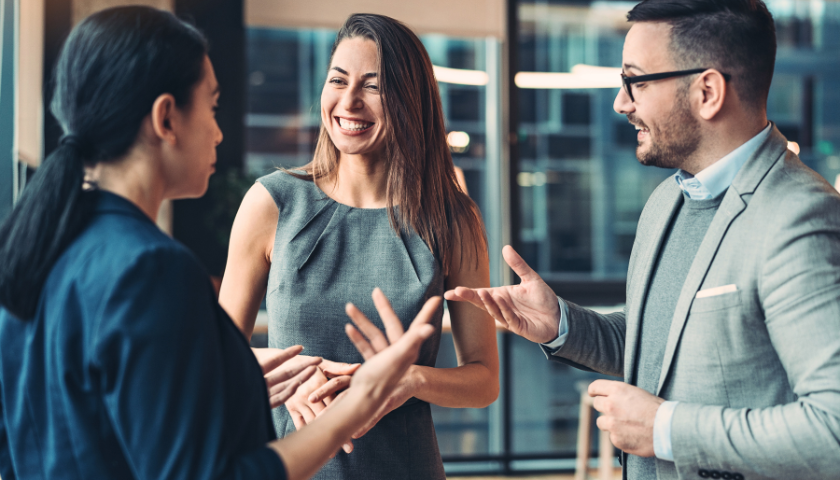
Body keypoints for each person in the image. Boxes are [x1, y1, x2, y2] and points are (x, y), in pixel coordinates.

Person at [0, 6, 440, 480]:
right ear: (166, 118)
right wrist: (359, 403)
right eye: (211, 108)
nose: (218, 132)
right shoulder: (151, 267)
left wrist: (239, 379)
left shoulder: (39, 245)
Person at [446, 1, 840, 479]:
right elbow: (660, 349)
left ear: (708, 92)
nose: (621, 102)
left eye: (637, 81)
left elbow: (833, 429)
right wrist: (563, 324)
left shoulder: (799, 216)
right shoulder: (666, 202)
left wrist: (666, 429)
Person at [219, 13, 499, 480]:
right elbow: (217, 359)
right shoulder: (272, 202)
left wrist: (411, 379)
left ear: (410, 100)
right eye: (338, 80)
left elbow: (484, 379)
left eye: (373, 86)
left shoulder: (453, 219)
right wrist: (287, 377)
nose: (349, 101)